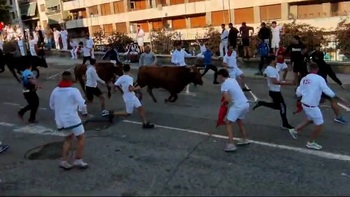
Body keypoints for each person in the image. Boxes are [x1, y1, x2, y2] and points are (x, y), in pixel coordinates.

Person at [288, 62, 347, 150]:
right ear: (317, 69)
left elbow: (298, 92)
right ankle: (311, 142)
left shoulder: (304, 79)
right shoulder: (319, 79)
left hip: (305, 103)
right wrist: (339, 98)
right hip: (312, 105)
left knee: (310, 119)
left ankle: (295, 130)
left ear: (309, 69)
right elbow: (327, 91)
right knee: (319, 124)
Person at [49, 71, 89, 169]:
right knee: (81, 138)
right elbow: (82, 104)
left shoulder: (55, 90)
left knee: (68, 139)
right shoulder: (74, 91)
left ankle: (64, 161)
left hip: (60, 120)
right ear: (71, 79)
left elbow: (51, 105)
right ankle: (78, 159)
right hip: (72, 119)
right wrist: (83, 112)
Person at [253, 55, 294, 129]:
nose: (277, 60)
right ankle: (285, 124)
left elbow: (265, 74)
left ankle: (261, 103)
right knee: (282, 107)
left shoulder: (272, 68)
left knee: (278, 106)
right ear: (272, 61)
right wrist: (288, 83)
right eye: (275, 59)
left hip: (275, 91)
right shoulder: (270, 69)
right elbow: (274, 81)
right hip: (274, 92)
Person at [217, 68, 250, 152]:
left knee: (228, 122)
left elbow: (228, 99)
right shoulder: (233, 80)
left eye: (218, 76)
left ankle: (231, 144)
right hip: (246, 103)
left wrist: (223, 103)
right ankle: (244, 139)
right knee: (239, 120)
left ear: (221, 76)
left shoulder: (224, 85)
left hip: (238, 105)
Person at [112, 64, 155, 129]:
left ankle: (145, 123)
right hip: (129, 98)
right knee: (128, 113)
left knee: (141, 108)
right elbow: (130, 89)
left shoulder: (121, 78)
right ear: (129, 69)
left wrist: (120, 90)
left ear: (123, 70)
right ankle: (113, 114)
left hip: (132, 96)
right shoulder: (130, 78)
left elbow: (115, 85)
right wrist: (137, 88)